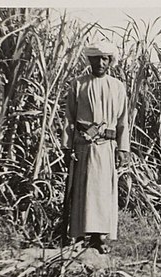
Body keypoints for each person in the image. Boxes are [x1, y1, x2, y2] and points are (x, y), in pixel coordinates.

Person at [61, 41, 130, 254]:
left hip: (106, 147)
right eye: (96, 58)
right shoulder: (78, 84)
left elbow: (122, 121)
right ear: (89, 60)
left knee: (101, 192)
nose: (100, 62)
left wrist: (123, 149)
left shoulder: (117, 87)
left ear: (110, 61)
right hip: (83, 146)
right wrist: (67, 147)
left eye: (104, 59)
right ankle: (78, 234)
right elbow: (69, 118)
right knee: (82, 189)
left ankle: (98, 237)